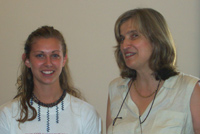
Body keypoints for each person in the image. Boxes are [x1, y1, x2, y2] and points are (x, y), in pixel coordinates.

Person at [106, 8, 200, 134]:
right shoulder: (116, 89)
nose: (124, 45)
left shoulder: (189, 89)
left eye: (134, 35)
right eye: (122, 39)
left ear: (156, 40)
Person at [0, 26, 101, 134]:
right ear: (27, 60)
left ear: (64, 60)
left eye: (55, 55)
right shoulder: (7, 115)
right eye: (40, 55)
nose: (48, 63)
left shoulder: (86, 114)